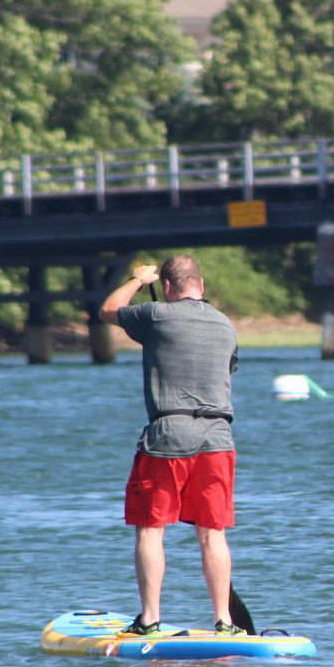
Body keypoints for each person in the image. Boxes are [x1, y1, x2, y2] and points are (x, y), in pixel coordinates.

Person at [100, 256, 244, 636]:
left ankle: (149, 618)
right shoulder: (225, 325)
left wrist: (136, 280)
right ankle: (224, 621)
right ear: (201, 284)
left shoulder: (156, 315)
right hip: (218, 437)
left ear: (166, 286)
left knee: (150, 529)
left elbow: (109, 310)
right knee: (213, 533)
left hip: (168, 436)